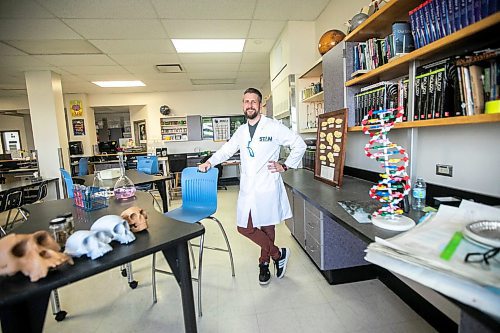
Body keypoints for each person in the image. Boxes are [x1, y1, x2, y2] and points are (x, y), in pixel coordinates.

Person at [198, 87, 306, 285]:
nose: (250, 105)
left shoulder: (273, 127)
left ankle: (264, 263)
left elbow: (299, 143)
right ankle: (277, 254)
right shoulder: (241, 131)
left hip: (267, 185)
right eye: (246, 102)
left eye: (253, 102)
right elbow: (226, 150)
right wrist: (209, 162)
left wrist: (285, 165)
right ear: (243, 105)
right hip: (248, 187)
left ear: (260, 105)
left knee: (267, 227)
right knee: (244, 227)